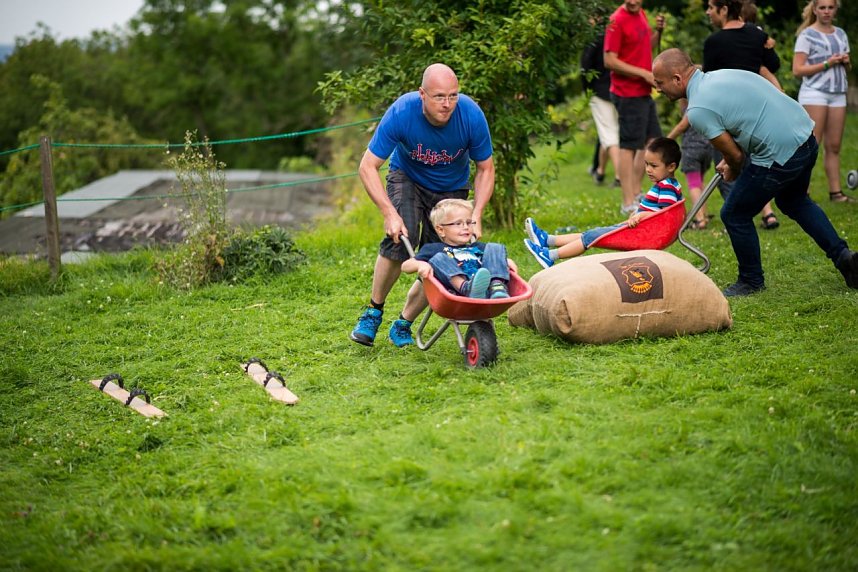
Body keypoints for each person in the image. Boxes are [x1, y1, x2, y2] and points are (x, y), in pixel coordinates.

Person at [652, 48, 858, 295]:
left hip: (780, 152)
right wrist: (731, 159)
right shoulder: (722, 75)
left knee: (735, 213)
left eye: (660, 83)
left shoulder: (697, 110)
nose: (658, 89)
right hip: (805, 136)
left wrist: (732, 165)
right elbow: (744, 121)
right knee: (794, 201)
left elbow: (736, 156)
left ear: (677, 79)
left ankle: (751, 280)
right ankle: (846, 259)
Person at [349, 63, 495, 348]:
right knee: (401, 237)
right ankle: (373, 311)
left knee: (443, 256)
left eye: (453, 96)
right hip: (408, 178)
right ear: (422, 95)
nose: (447, 104)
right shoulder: (403, 112)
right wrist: (389, 213)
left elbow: (486, 169)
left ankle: (404, 322)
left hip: (451, 187)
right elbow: (367, 166)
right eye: (439, 96)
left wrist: (476, 214)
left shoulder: (471, 115)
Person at [523, 137, 682, 268]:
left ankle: (549, 256)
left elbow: (663, 216)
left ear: (671, 166)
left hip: (641, 233)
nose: (648, 169)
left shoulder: (666, 186)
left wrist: (640, 216)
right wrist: (638, 214)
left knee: (592, 236)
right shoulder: (665, 184)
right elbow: (657, 212)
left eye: (654, 166)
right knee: (592, 234)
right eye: (646, 164)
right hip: (638, 229)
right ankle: (548, 240)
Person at [603, 0, 666, 215]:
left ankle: (637, 191)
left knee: (652, 142)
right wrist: (643, 74)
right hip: (626, 92)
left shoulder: (641, 14)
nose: (632, 1)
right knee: (629, 146)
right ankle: (627, 201)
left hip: (643, 91)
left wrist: (658, 32)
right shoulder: (616, 19)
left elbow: (643, 47)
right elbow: (610, 60)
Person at [792, 0, 852, 203]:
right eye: (823, 7)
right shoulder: (806, 35)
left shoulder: (841, 34)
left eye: (831, 7)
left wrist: (845, 62)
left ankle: (836, 193)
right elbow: (798, 70)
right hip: (814, 93)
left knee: (834, 145)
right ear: (815, 10)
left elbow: (847, 67)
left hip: (838, 93)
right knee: (812, 145)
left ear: (836, 9)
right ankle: (802, 192)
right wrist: (828, 63)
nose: (827, 11)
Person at [402, 199, 516, 299]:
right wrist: (420, 265)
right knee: (438, 258)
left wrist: (505, 261)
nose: (466, 227)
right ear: (441, 230)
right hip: (458, 294)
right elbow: (405, 266)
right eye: (458, 223)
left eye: (468, 222)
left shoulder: (478, 247)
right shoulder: (434, 249)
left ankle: (497, 286)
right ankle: (466, 287)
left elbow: (495, 259)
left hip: (488, 291)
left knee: (494, 247)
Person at [581, 25, 620, 187]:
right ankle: (601, 171)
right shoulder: (617, 35)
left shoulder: (594, 38)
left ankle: (620, 177)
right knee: (608, 135)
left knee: (610, 137)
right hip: (618, 90)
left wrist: (587, 91)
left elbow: (585, 67)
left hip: (600, 92)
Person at [668, 101, 713, 230]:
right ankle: (703, 214)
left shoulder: (693, 104)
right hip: (707, 148)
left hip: (692, 149)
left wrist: (667, 140)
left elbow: (683, 125)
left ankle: (700, 220)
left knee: (693, 185)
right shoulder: (706, 103)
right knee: (700, 183)